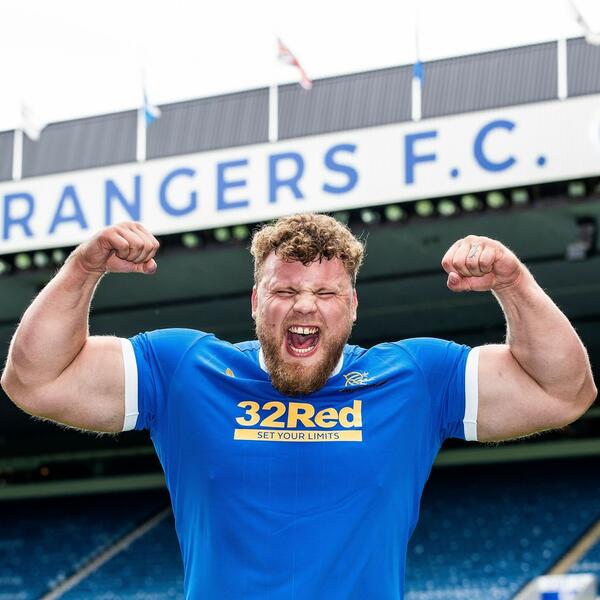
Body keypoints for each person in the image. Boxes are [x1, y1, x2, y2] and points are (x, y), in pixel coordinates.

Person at [1, 213, 596, 599]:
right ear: (255, 301)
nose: (304, 306)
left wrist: (514, 284)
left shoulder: (413, 377)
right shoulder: (185, 369)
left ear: (353, 305)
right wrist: (83, 268)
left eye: (326, 292)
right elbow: (35, 380)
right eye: (285, 290)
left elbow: (564, 391)